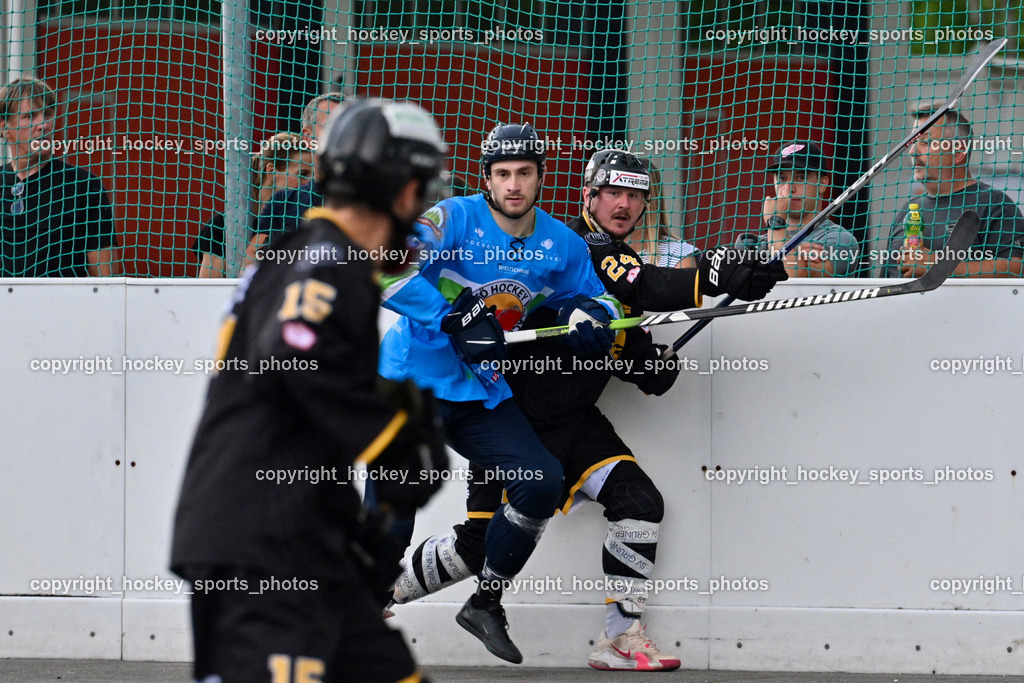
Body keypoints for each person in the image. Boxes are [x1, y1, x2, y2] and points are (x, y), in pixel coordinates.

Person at [388, 150, 789, 671]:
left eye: (635, 195)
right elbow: (640, 285)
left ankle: (622, 636)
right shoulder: (583, 245)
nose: (622, 204)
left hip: (575, 421)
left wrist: (649, 364)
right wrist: (716, 273)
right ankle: (377, 594)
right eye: (612, 192)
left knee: (640, 503)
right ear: (589, 195)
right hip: (519, 415)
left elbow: (622, 330)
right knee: (477, 545)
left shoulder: (593, 255)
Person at [170, 98, 449, 683]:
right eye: (422, 191)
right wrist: (391, 438)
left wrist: (349, 523)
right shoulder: (327, 259)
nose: (422, 209)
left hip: (303, 541)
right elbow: (294, 356)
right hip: (263, 547)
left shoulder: (309, 254)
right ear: (401, 191)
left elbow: (298, 396)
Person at [378, 123, 631, 665]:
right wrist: (451, 316)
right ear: (486, 179)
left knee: (541, 482)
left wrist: (589, 316)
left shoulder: (560, 242)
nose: (513, 185)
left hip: (480, 389)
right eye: (502, 174)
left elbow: (603, 302)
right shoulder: (453, 218)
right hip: (411, 379)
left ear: (541, 177)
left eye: (524, 173)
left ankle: (486, 602)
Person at [878, 103, 1024, 277]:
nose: (912, 151)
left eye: (925, 142)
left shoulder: (995, 205)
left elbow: (1016, 268)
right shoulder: (906, 211)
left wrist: (938, 266)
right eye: (912, 142)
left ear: (958, 152)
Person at [0, 77, 119, 276]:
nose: (43, 125)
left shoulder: (83, 186)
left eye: (47, 114)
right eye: (30, 116)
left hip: (65, 305)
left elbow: (106, 278)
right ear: (4, 127)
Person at [193, 131, 314, 277]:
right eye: (302, 174)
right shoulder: (222, 227)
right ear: (271, 171)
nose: (310, 183)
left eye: (313, 176)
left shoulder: (307, 226)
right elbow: (208, 295)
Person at [245, 92, 345, 261]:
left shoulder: (380, 196)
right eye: (332, 125)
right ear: (307, 136)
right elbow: (251, 259)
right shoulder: (281, 202)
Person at [755, 141, 858, 277]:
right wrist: (796, 253)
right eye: (782, 178)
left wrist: (775, 223)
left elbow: (791, 277)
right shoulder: (757, 243)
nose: (789, 188)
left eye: (800, 177)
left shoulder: (841, 240)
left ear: (822, 183)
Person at [627, 159, 697, 268]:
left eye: (632, 195)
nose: (622, 203)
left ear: (648, 199)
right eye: (614, 193)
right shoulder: (597, 252)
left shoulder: (677, 255)